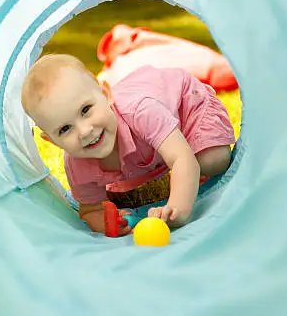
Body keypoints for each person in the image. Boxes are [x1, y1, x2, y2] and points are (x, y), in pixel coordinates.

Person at [21, 54, 235, 235]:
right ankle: (171, 165)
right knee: (122, 200)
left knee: (212, 160)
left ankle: (187, 163)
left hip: (185, 104)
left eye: (86, 110)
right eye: (64, 129)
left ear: (105, 94)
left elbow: (182, 159)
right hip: (152, 139)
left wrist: (176, 210)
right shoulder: (76, 164)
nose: (85, 131)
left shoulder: (141, 112)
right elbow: (89, 209)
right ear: (52, 141)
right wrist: (108, 223)